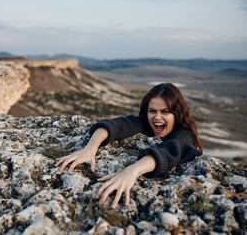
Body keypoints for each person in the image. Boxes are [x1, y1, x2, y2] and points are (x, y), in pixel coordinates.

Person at [55, 83, 203, 209]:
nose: (157, 117)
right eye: (152, 111)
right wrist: (89, 149)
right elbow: (114, 125)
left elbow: (168, 150)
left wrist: (132, 170)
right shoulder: (149, 122)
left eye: (165, 112)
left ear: (177, 114)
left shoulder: (185, 134)